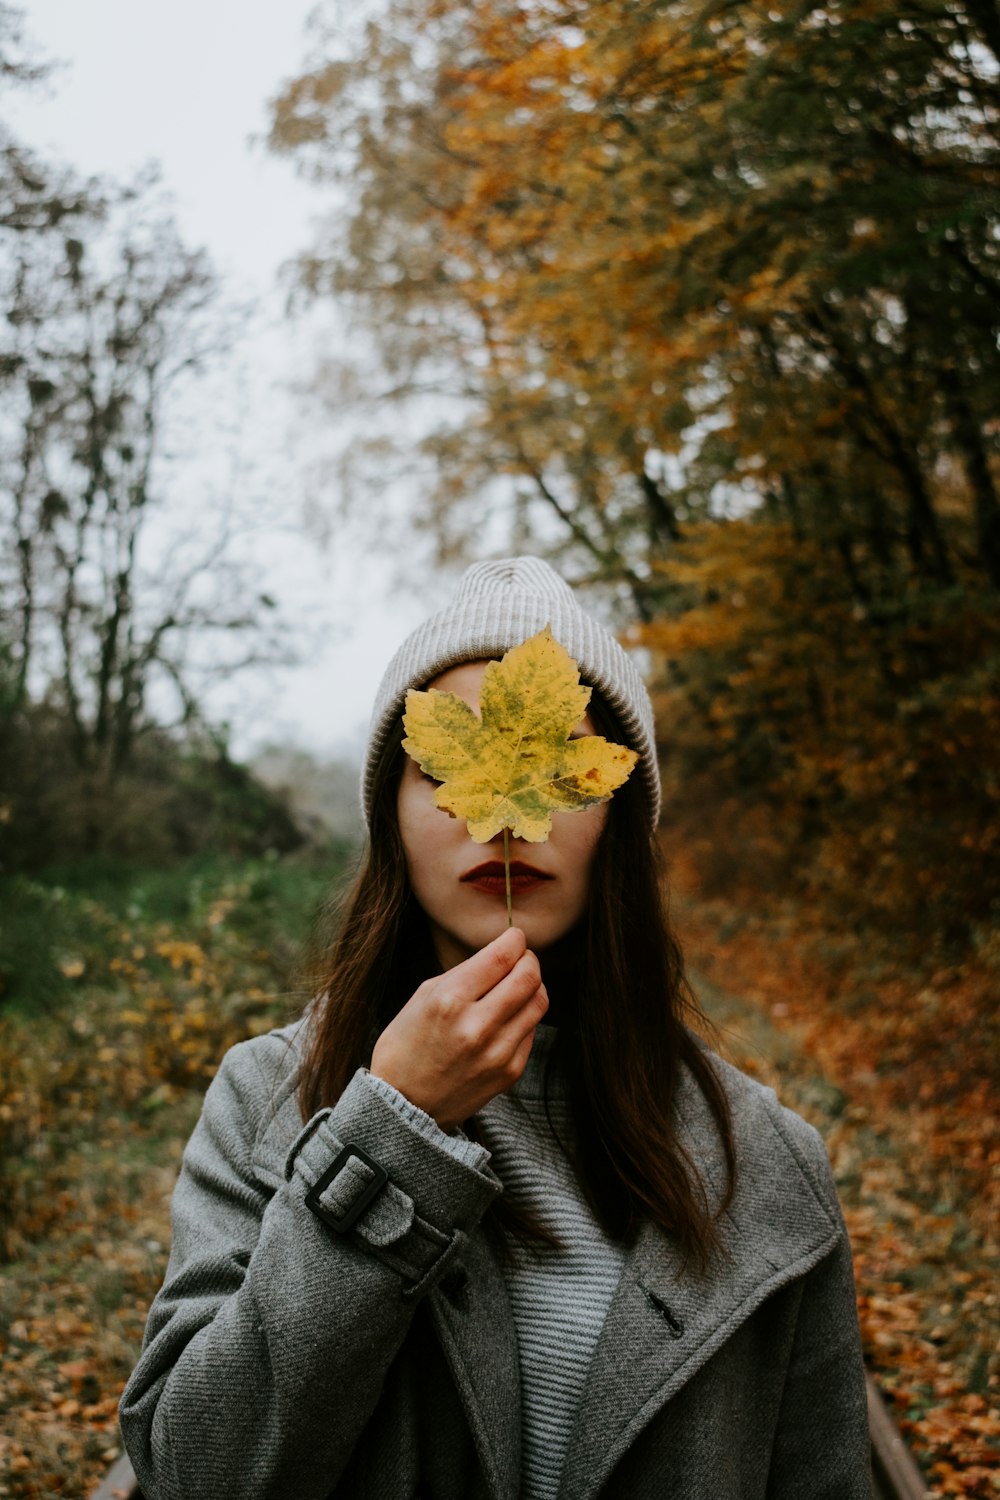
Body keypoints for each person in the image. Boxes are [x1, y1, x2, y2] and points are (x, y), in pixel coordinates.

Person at [119, 557, 873, 1499]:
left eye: (560, 767)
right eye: (444, 767)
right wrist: (388, 1133)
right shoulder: (265, 1096)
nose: (507, 824)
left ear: (620, 821)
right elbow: (194, 1471)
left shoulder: (767, 1159)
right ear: (391, 820)